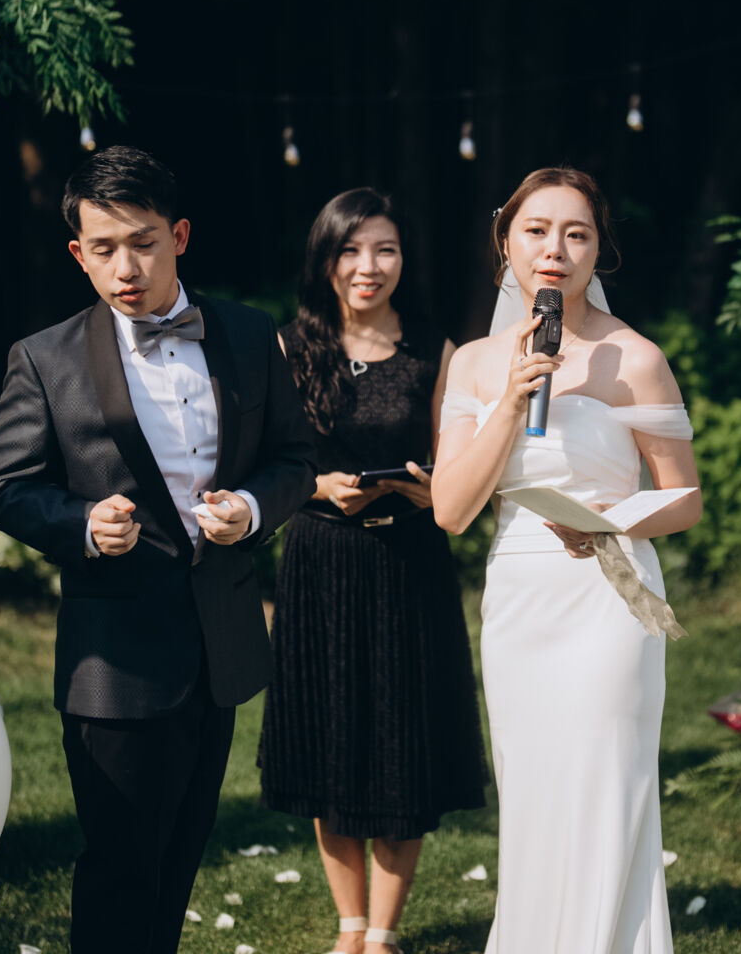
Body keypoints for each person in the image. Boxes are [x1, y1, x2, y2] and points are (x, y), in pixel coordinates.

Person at [0, 145, 317, 954]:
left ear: (180, 237)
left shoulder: (247, 334)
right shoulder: (45, 358)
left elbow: (294, 460)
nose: (125, 267)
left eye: (143, 242)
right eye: (104, 249)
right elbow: (5, 488)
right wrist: (83, 526)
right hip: (116, 658)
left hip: (220, 643)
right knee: (121, 868)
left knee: (178, 861)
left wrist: (251, 509)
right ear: (78, 253)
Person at [432, 167, 702, 954]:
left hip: (608, 598)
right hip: (520, 602)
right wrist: (512, 401)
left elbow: (684, 499)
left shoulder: (636, 358)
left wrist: (612, 522)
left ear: (598, 251)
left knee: (605, 786)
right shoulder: (475, 363)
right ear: (506, 243)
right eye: (537, 230)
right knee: (535, 795)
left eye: (576, 234)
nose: (555, 249)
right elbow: (452, 510)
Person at [258, 188, 484, 954]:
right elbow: (270, 466)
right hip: (321, 563)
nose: (368, 266)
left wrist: (431, 488)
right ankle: (348, 926)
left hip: (409, 564)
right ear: (325, 259)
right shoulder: (290, 347)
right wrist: (320, 488)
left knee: (402, 744)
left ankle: (383, 934)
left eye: (384, 249)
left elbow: (456, 467)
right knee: (332, 740)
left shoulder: (434, 351)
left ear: (403, 259)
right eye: (351, 250)